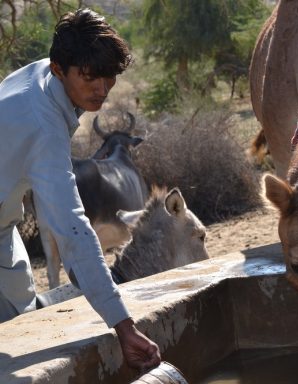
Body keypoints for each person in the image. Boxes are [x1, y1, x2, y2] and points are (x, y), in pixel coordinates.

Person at [0, 8, 161, 371]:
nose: (102, 90)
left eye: (109, 78)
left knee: (21, 321)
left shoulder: (45, 73)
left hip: (3, 232)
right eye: (90, 78)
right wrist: (123, 326)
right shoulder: (43, 124)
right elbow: (72, 231)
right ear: (60, 69)